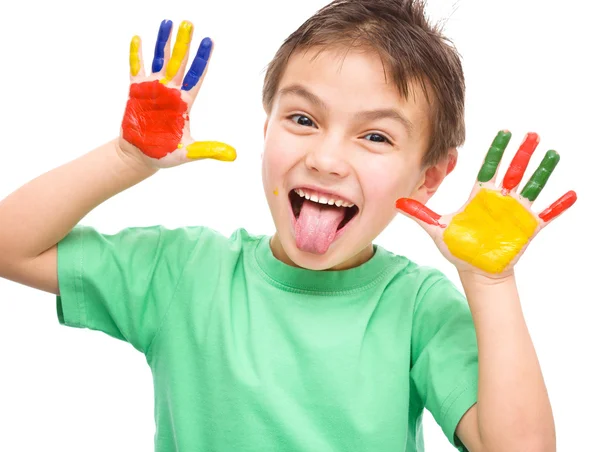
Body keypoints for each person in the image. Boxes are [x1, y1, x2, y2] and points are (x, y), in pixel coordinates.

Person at [0, 0, 576, 450]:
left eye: (375, 136)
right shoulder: (182, 273)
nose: (326, 158)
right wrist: (127, 157)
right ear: (267, 125)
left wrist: (490, 284)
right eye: (302, 118)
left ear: (428, 177)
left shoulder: (418, 307)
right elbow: (11, 246)